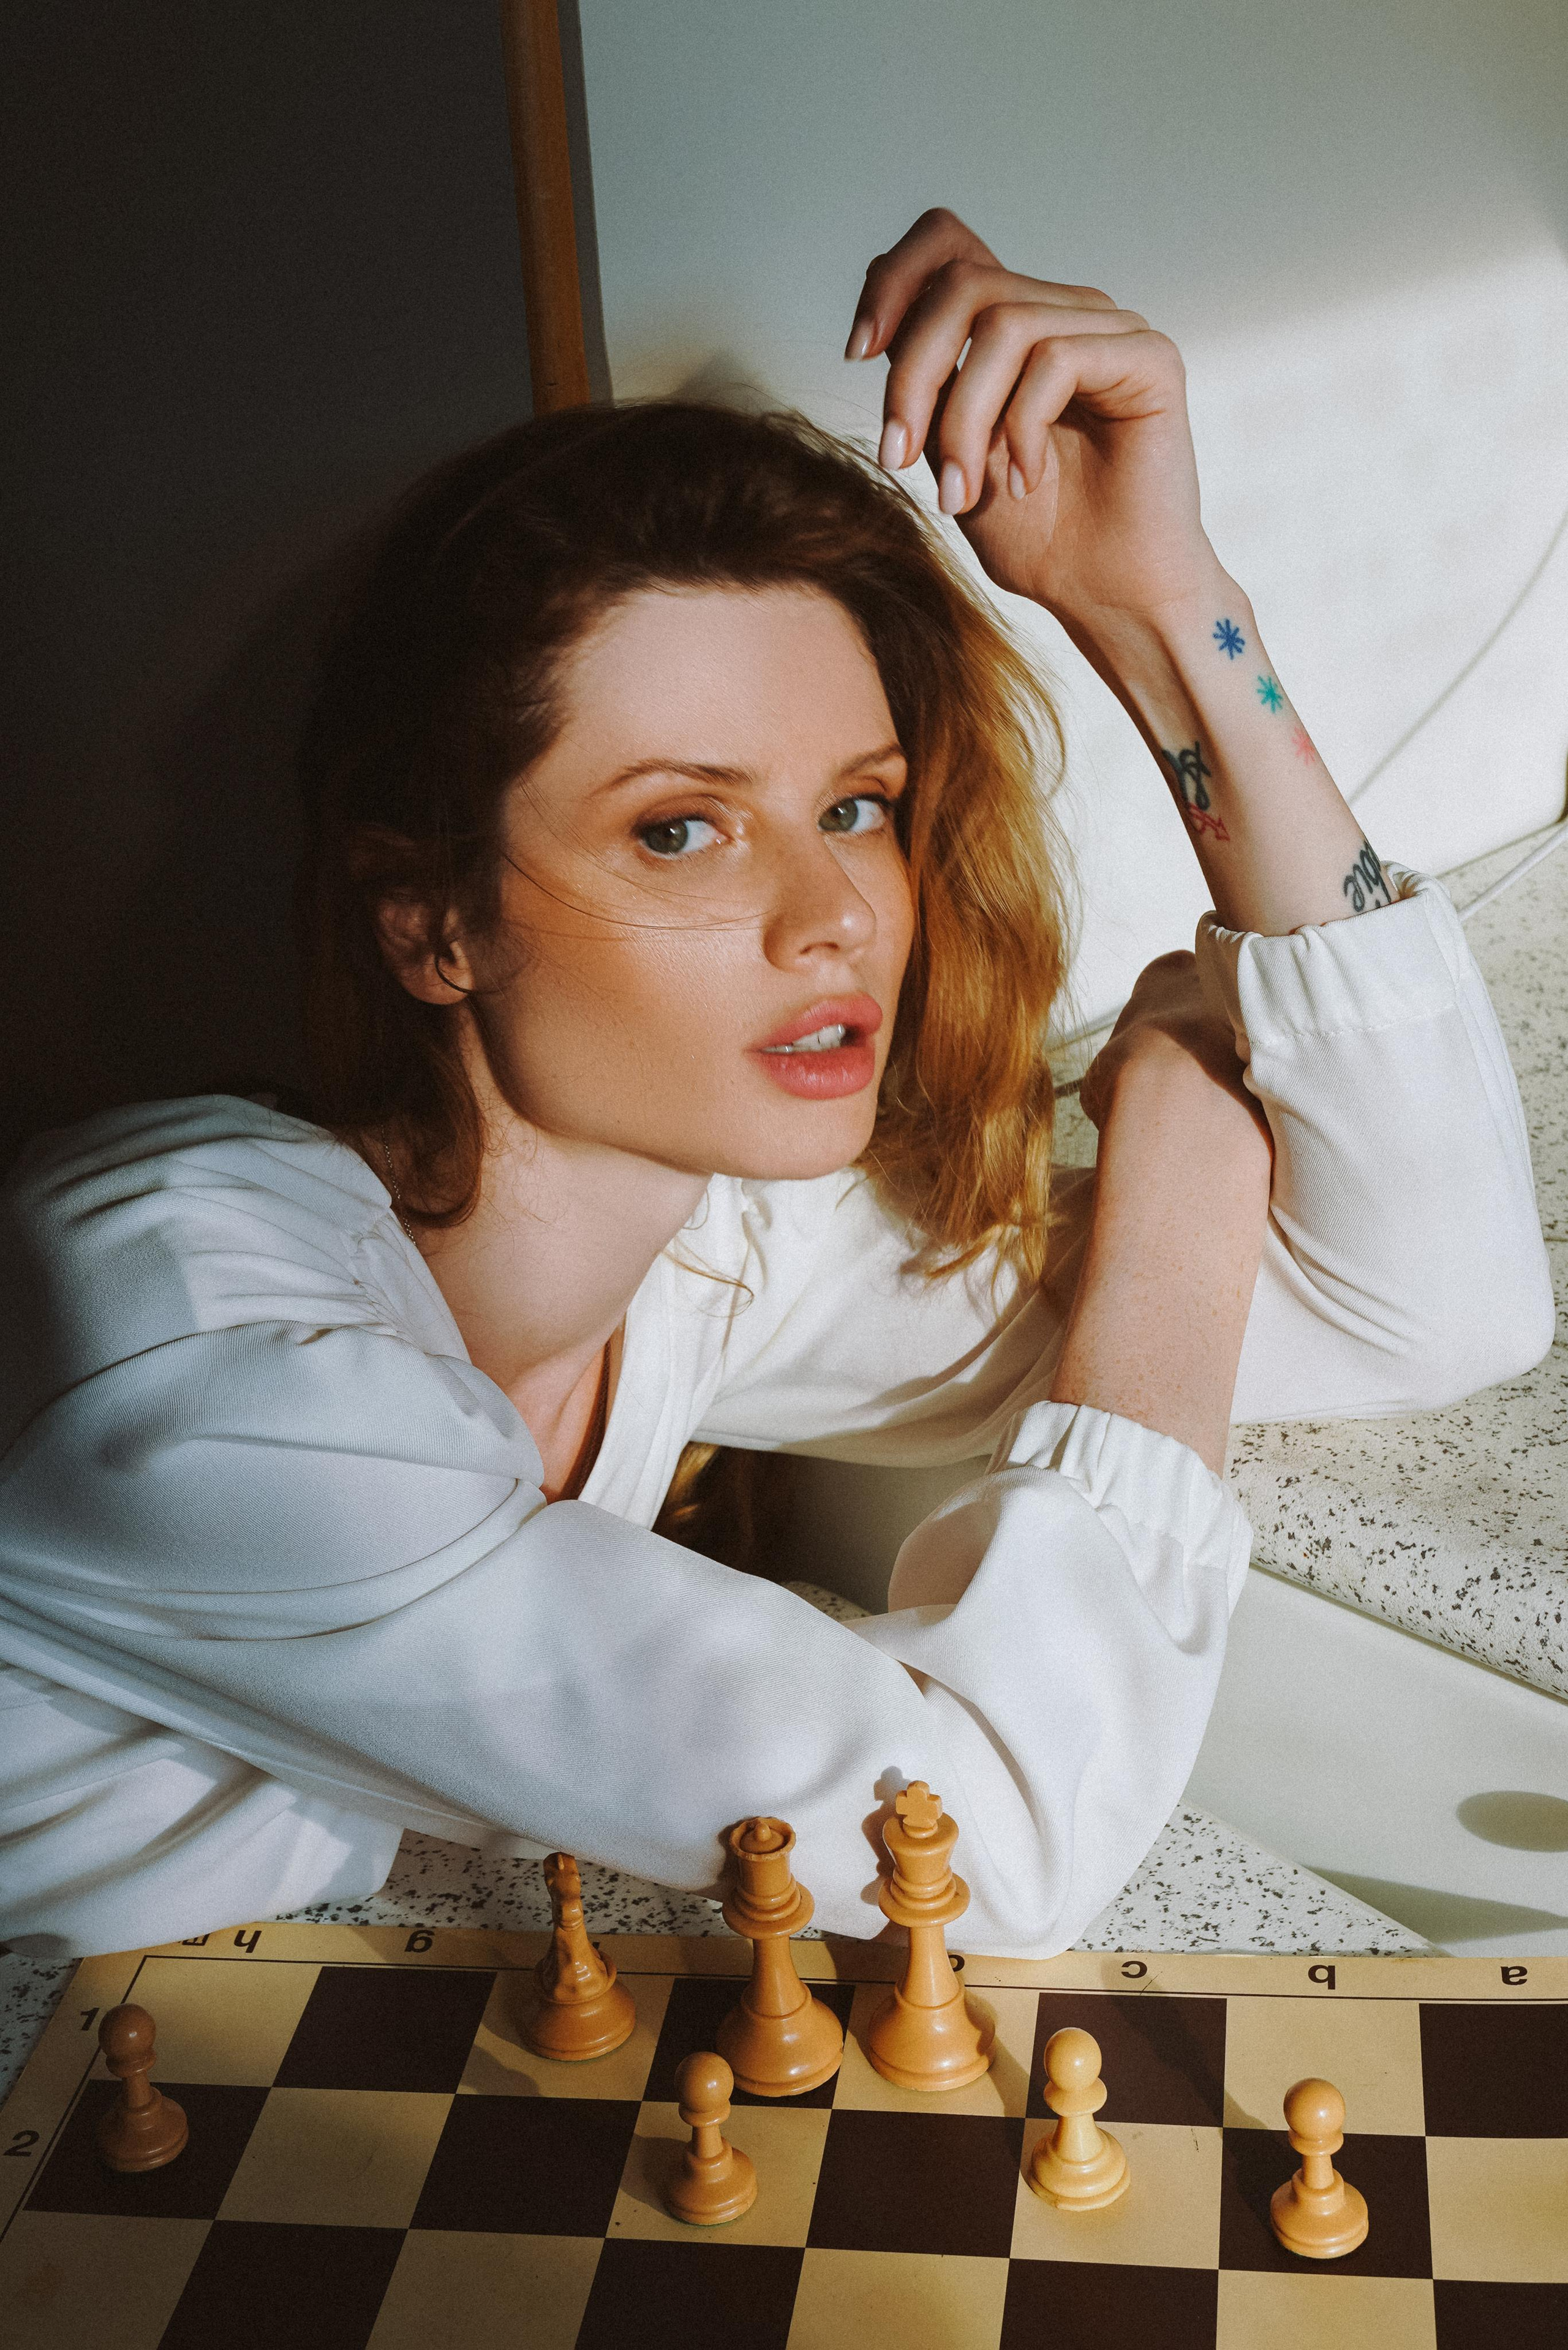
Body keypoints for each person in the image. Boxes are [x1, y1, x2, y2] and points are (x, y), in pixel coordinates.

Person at [0, 211, 1551, 1959]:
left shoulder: (709, 1246)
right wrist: (1177, 1172)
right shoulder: (184, 1334)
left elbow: (1446, 1309)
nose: (832, 920)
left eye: (856, 807)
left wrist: (1165, 609)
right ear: (432, 920)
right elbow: (983, 1845)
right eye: (681, 828)